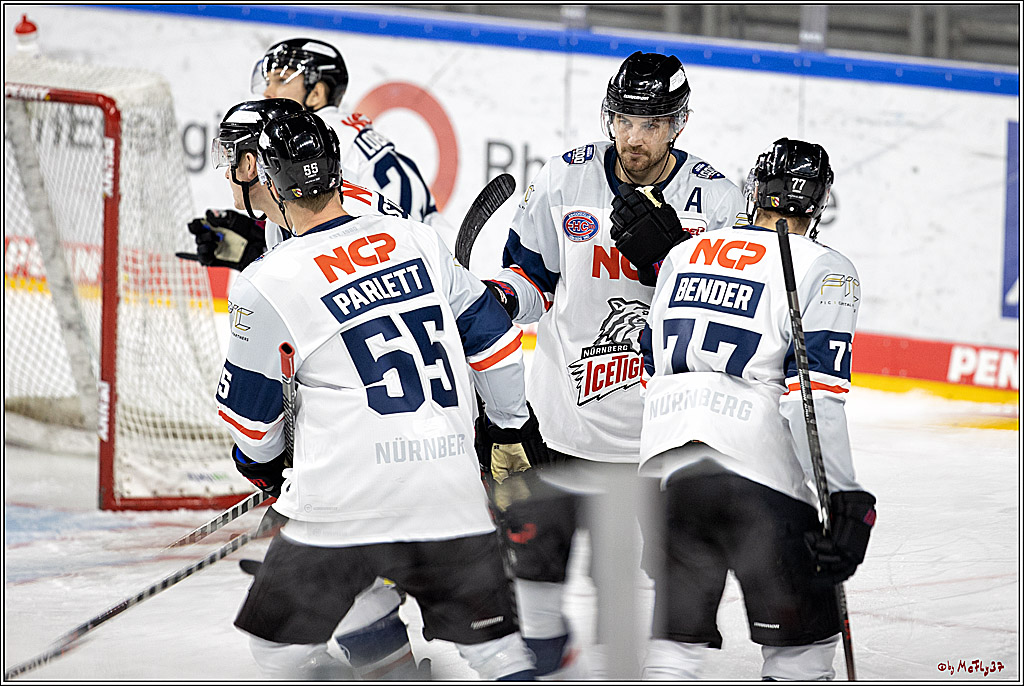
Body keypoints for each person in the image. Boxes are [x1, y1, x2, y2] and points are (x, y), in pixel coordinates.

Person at [214, 109, 542, 680]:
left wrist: (267, 473)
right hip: (450, 489)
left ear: (268, 179)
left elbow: (254, 426)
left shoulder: (265, 280)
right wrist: (507, 427)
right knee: (495, 650)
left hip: (342, 505)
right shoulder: (417, 238)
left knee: (280, 650)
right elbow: (494, 339)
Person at [476, 51, 748, 677]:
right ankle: (549, 654)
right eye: (624, 120)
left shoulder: (717, 197)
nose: (635, 137)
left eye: (651, 123)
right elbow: (531, 278)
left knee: (667, 592)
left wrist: (673, 259)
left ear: (678, 125)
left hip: (665, 430)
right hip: (563, 420)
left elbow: (730, 316)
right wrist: (494, 303)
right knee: (534, 567)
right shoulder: (564, 178)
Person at [636, 138, 876, 680]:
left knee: (675, 646)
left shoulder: (683, 254)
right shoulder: (825, 268)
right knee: (801, 652)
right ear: (819, 205)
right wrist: (844, 497)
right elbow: (811, 400)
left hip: (670, 467)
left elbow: (653, 372)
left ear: (754, 193)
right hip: (758, 475)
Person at [209, 98, 426, 680]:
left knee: (286, 637)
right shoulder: (307, 215)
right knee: (352, 595)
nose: (227, 168)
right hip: (403, 428)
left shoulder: (338, 215)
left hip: (369, 442)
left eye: (232, 156)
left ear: (258, 164)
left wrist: (270, 467)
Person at [188, 36, 450, 272]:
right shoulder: (346, 133)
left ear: (316, 92)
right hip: (434, 257)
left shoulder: (316, 147)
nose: (268, 92)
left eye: (281, 80)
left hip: (419, 265)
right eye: (268, 82)